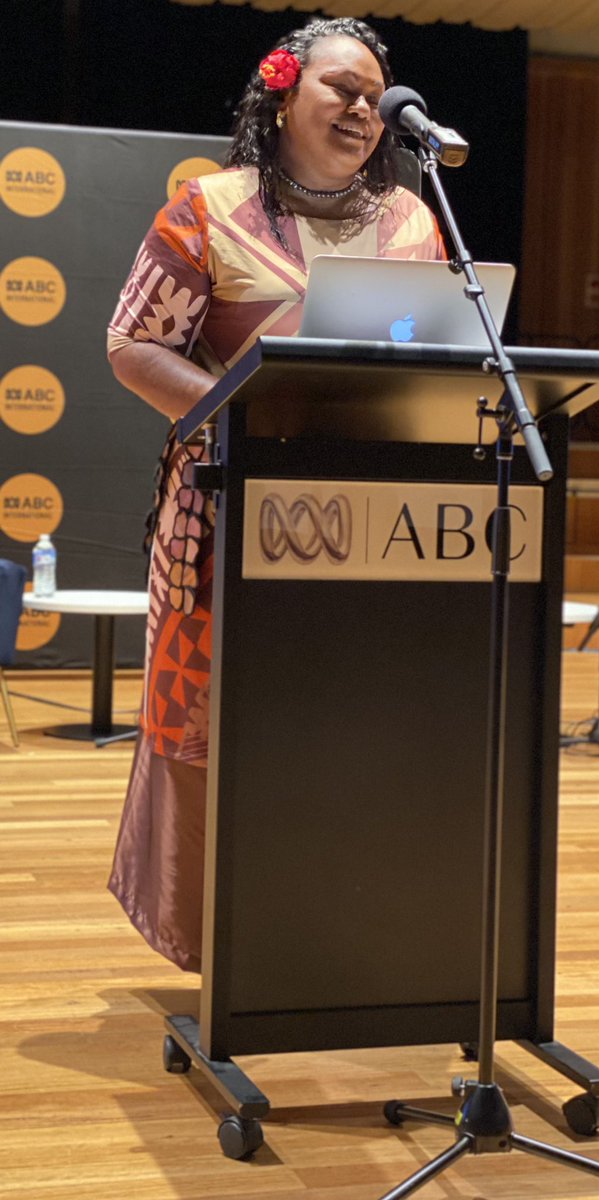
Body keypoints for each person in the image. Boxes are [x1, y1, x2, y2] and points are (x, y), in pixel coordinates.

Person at [107, 15, 446, 973]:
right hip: (222, 508)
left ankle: (332, 925)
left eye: (376, 98)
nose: (362, 110)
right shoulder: (206, 209)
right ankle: (222, 947)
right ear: (281, 90)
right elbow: (132, 345)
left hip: (371, 519)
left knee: (344, 719)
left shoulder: (416, 224)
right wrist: (236, 416)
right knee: (219, 726)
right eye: (341, 87)